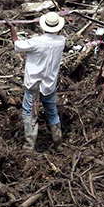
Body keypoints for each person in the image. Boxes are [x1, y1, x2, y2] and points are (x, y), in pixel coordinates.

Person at [12, 11, 67, 151]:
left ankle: (29, 146)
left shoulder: (36, 42)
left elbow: (17, 46)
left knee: (29, 114)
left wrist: (13, 31)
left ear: (44, 27)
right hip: (50, 84)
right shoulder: (61, 41)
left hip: (34, 85)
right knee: (52, 112)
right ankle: (58, 144)